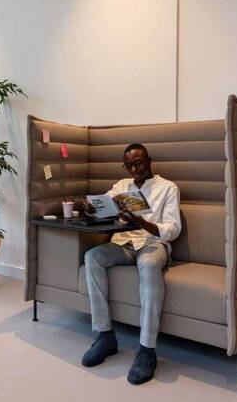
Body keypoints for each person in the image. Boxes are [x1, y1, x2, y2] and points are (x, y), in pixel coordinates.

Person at [81, 143, 181, 385]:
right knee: (92, 257)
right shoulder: (121, 186)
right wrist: (92, 208)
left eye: (138, 163)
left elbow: (174, 228)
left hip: (152, 243)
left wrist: (142, 223)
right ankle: (104, 335)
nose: (134, 169)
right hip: (123, 243)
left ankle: (147, 349)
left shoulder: (168, 187)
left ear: (149, 161)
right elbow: (103, 208)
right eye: (129, 165)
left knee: (149, 265)